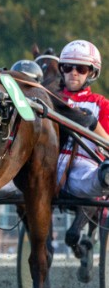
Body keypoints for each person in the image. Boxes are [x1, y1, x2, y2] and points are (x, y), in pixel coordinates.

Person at [55, 40, 109, 199]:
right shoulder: (49, 98)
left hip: (83, 168)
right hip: (45, 164)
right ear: (62, 70)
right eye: (67, 67)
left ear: (92, 73)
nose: (73, 73)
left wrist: (93, 124)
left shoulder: (101, 104)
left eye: (81, 69)